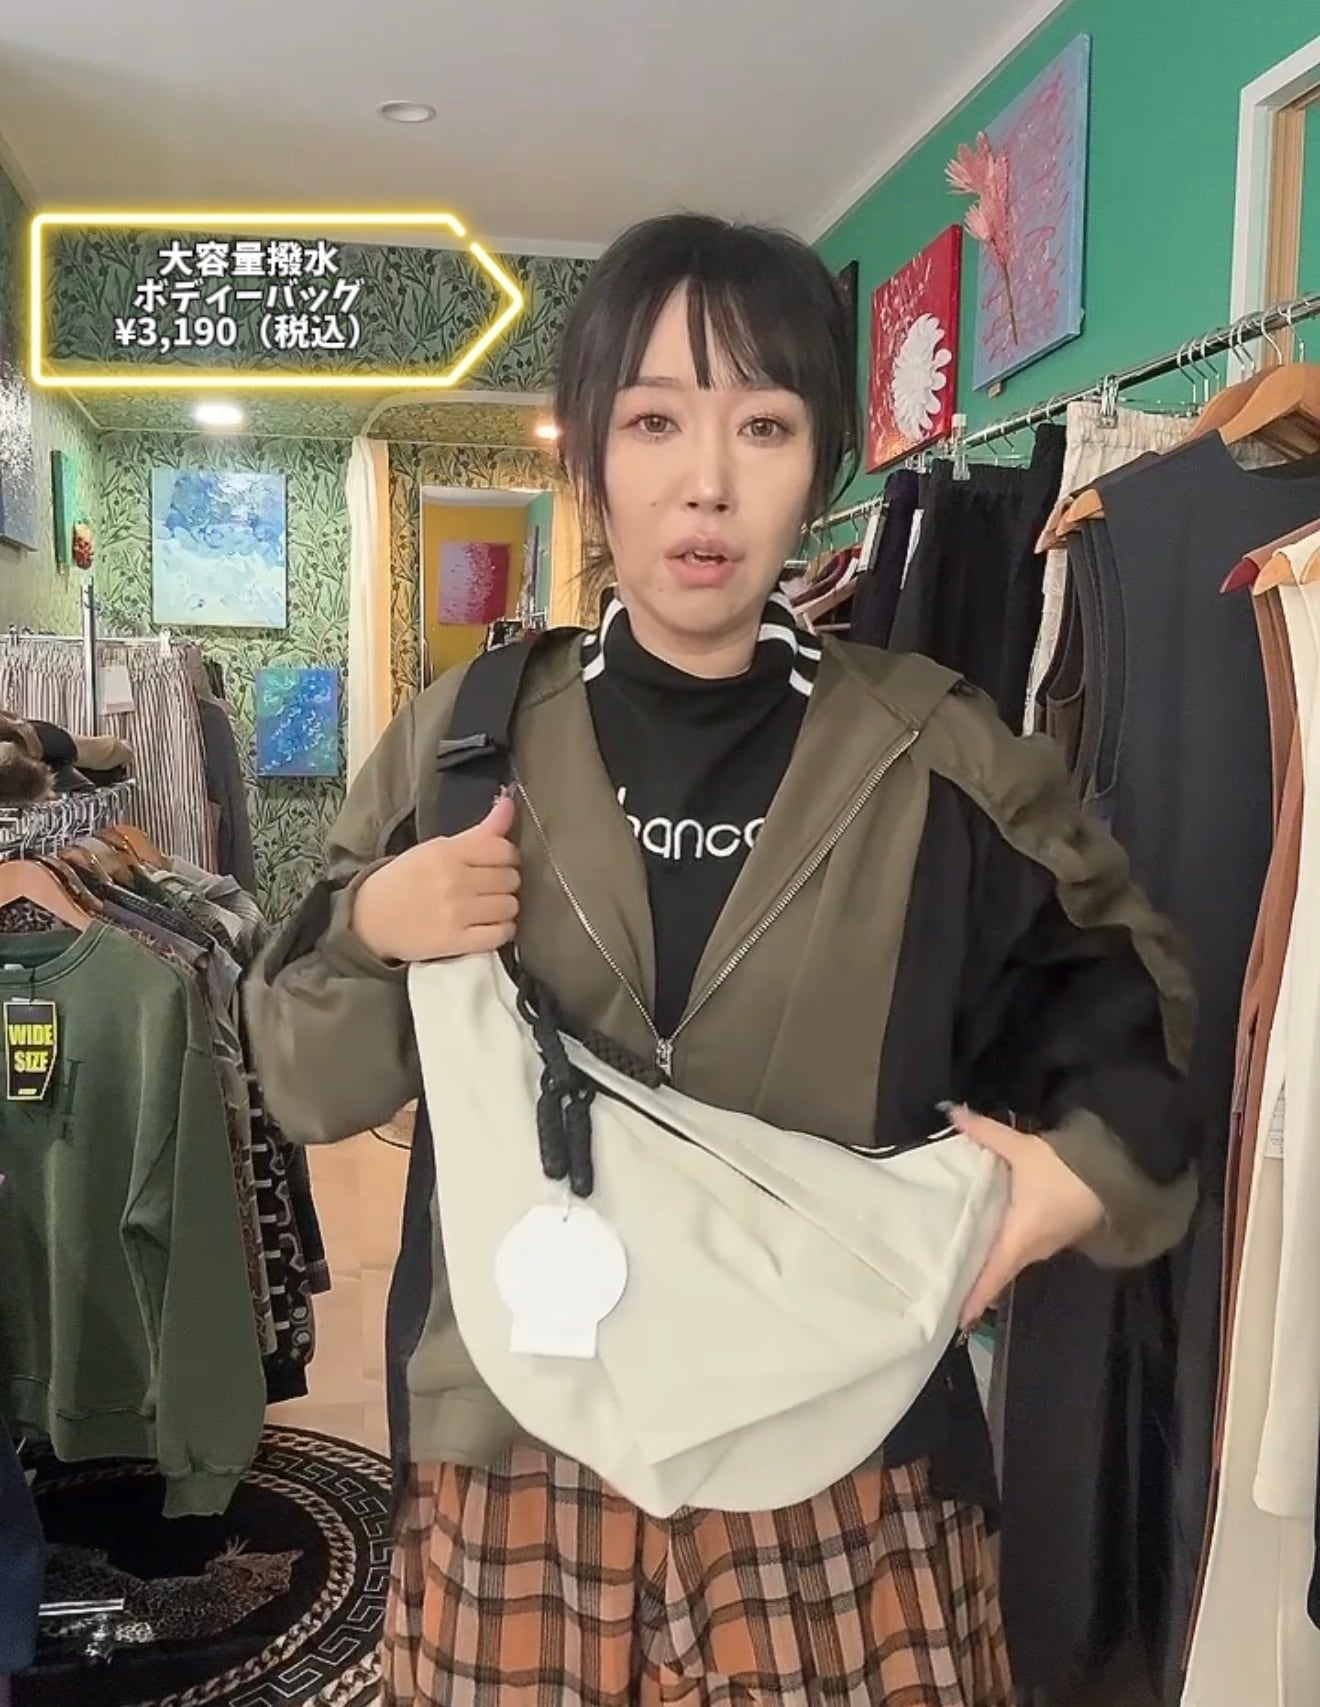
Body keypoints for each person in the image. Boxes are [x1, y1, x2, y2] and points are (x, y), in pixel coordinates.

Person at [247, 213, 1201, 1706]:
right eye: (654, 423)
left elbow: (1130, 1005)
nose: (706, 482)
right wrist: (375, 927)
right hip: (519, 1455)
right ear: (594, 459)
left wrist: (1061, 1191)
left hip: (844, 1453)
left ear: (822, 466)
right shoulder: (465, 741)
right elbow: (310, 1082)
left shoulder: (932, 755)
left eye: (763, 425)